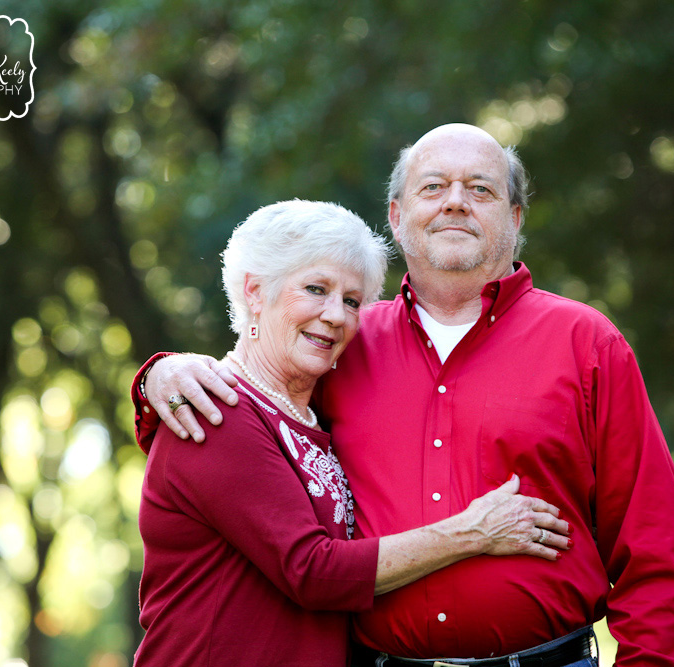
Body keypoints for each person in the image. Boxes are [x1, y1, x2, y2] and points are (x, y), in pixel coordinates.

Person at [137, 125, 674, 666]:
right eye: (432, 187)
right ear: (397, 217)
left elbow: (657, 552)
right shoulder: (343, 344)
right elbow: (250, 399)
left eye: (480, 189)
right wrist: (160, 375)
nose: (455, 202)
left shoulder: (585, 344)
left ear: (514, 217)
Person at [131, 198, 572, 667]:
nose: (336, 315)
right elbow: (312, 571)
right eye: (316, 289)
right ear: (255, 292)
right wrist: (472, 531)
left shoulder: (311, 416)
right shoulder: (218, 411)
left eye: (351, 301)